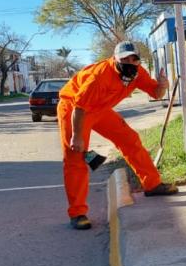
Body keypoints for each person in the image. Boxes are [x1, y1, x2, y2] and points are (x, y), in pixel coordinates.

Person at [57, 41, 178, 230]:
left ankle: (152, 184)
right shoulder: (99, 77)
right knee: (75, 158)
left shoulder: (138, 73)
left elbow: (156, 93)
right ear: (115, 59)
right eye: (125, 59)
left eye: (134, 58)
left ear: (139, 60)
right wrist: (77, 137)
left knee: (129, 140)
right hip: (74, 110)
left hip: (101, 110)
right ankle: (78, 212)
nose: (130, 62)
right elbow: (79, 108)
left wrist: (163, 86)